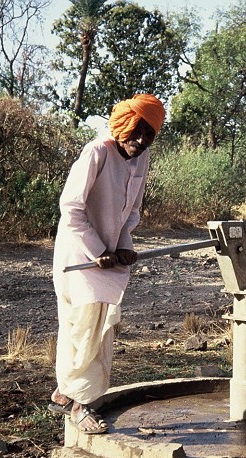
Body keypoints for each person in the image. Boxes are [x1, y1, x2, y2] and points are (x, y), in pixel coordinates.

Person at [48, 94, 165, 434]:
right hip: (79, 257)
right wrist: (97, 249)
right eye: (136, 131)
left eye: (149, 134)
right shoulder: (97, 151)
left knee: (99, 331)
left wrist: (125, 245)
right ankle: (80, 407)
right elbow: (71, 209)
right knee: (84, 328)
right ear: (122, 126)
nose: (141, 140)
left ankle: (68, 392)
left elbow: (131, 213)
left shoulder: (141, 159)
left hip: (109, 258)